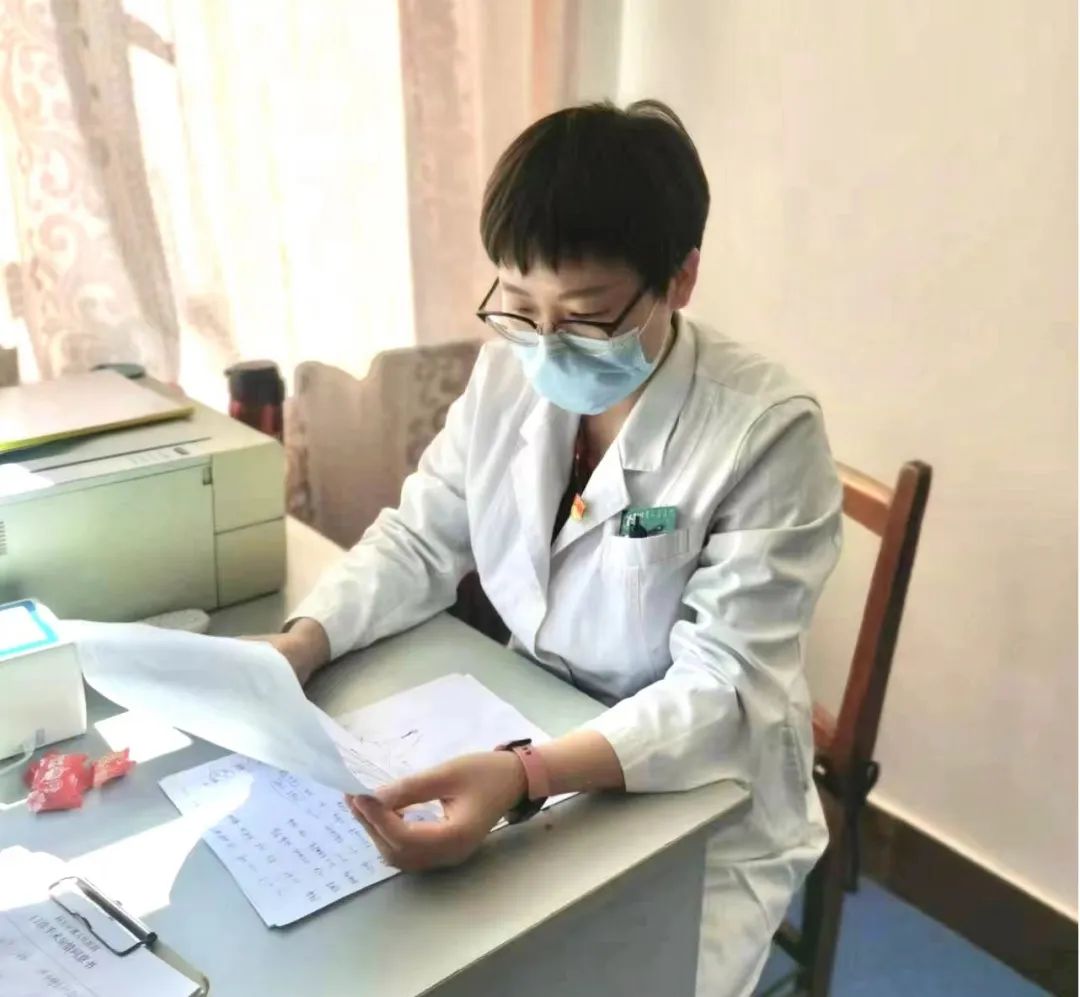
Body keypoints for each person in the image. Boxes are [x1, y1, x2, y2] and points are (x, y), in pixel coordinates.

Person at [263, 100, 842, 996]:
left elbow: (722, 688)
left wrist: (526, 775)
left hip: (700, 795)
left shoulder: (767, 434)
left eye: (584, 315)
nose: (543, 343)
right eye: (519, 304)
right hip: (524, 721)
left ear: (681, 278)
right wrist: (302, 643)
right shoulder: (508, 370)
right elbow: (420, 535)